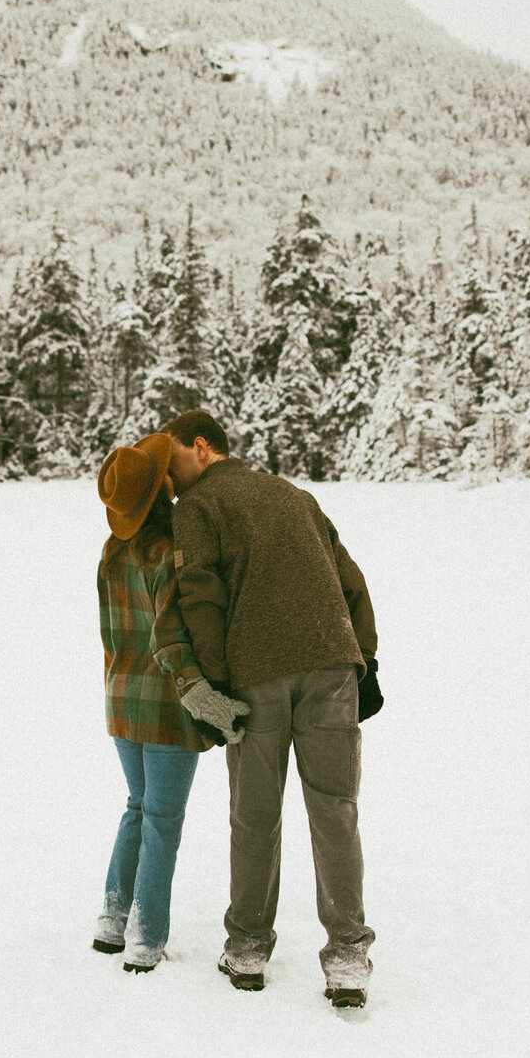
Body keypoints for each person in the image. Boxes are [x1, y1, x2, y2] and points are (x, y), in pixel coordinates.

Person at [163, 408, 381, 1009]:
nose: (167, 473)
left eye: (171, 456)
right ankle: (347, 958)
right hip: (333, 665)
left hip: (257, 676)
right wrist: (366, 656)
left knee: (254, 817)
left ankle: (249, 948)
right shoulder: (294, 495)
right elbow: (349, 578)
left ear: (201, 447)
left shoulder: (199, 508)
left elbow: (200, 595)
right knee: (335, 812)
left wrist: (215, 684)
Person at [94, 431, 249, 972]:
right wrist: (202, 690)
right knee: (162, 818)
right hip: (163, 703)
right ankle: (146, 938)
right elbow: (169, 637)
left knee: (137, 807)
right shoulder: (167, 552)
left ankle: (112, 919)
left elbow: (115, 634)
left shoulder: (111, 554)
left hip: (119, 699)